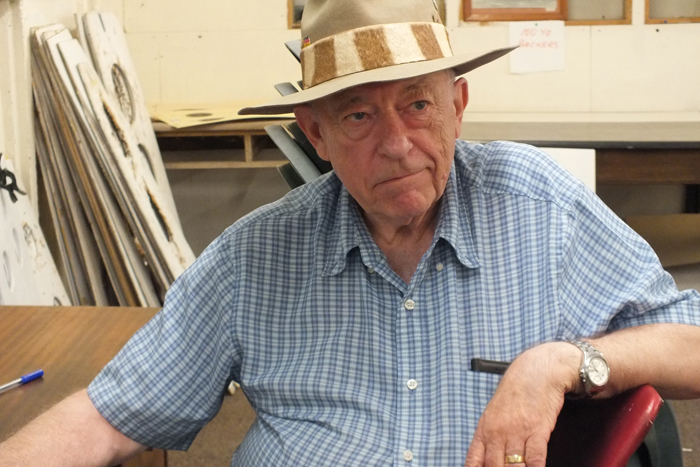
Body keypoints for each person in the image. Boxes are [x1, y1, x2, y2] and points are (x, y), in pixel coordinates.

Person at [2, 0, 700, 466]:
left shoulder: (537, 208)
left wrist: (560, 361)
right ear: (317, 134)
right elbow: (106, 414)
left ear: (458, 104)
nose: (397, 143)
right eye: (359, 116)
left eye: (417, 103)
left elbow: (692, 344)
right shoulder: (256, 256)